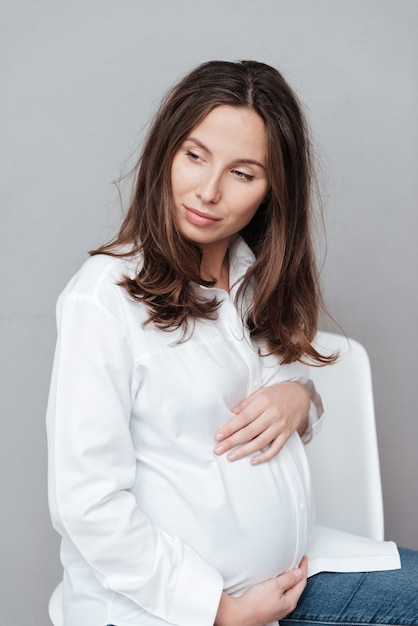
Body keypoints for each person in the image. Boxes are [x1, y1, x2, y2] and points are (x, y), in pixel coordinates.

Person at [46, 60, 418, 626]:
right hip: (175, 608)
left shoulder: (246, 276)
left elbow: (262, 393)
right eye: (195, 156)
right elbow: (87, 504)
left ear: (274, 191)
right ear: (166, 152)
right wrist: (217, 610)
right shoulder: (104, 297)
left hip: (287, 578)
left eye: (243, 174)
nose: (208, 191)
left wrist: (301, 399)